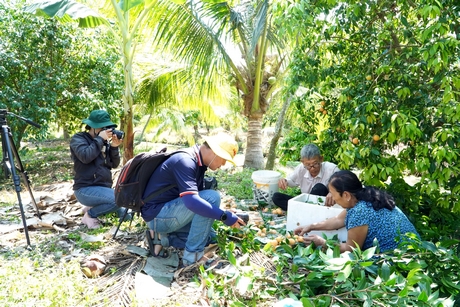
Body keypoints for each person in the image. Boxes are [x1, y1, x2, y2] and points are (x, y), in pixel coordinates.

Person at [140, 134, 245, 266]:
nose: (223, 164)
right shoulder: (185, 161)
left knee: (209, 237)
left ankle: (163, 238)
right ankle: (192, 258)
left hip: (169, 214)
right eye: (224, 159)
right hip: (158, 216)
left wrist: (223, 212)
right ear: (214, 151)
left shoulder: (198, 163)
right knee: (212, 197)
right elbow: (192, 202)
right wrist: (223, 216)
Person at [294, 170, 420, 253]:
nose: (333, 199)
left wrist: (323, 243)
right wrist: (311, 226)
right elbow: (338, 220)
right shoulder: (363, 196)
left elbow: (351, 249)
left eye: (333, 194)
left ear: (346, 195)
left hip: (400, 258)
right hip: (416, 248)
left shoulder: (360, 212)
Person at [70, 109, 128, 229]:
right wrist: (100, 139)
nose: (106, 130)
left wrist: (114, 147)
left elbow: (114, 164)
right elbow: (85, 156)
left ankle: (94, 206)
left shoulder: (104, 142)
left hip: (102, 188)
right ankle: (90, 215)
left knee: (126, 215)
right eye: (103, 127)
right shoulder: (78, 139)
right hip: (85, 189)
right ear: (93, 127)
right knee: (118, 200)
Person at [272, 143, 339, 210]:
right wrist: (285, 181)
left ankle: (301, 210)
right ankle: (303, 210)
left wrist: (333, 192)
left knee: (319, 187)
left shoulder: (332, 169)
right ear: (302, 162)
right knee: (276, 197)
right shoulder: (301, 169)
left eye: (315, 164)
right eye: (308, 165)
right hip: (305, 203)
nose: (312, 168)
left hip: (324, 206)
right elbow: (291, 180)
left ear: (321, 159)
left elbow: (343, 186)